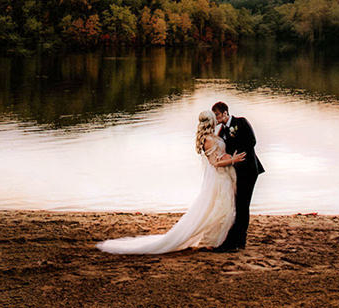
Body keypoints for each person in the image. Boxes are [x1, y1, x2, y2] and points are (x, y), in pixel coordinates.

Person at [97, 110, 244, 254]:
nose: (217, 120)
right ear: (211, 122)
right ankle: (212, 241)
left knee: (223, 208)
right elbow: (214, 163)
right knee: (220, 209)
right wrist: (233, 160)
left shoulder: (214, 136)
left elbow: (220, 155)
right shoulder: (208, 140)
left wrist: (229, 156)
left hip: (225, 176)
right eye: (214, 118)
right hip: (219, 178)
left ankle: (217, 240)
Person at [212, 100, 265, 251]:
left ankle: (235, 242)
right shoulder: (221, 132)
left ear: (225, 113)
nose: (216, 118)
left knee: (242, 205)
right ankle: (239, 241)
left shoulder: (241, 122)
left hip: (249, 169)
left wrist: (236, 155)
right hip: (234, 171)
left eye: (217, 115)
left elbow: (252, 141)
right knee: (239, 205)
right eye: (214, 116)